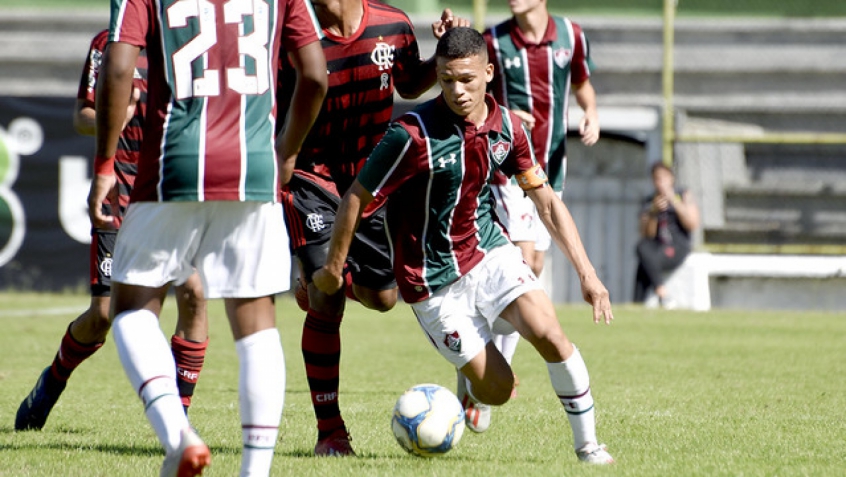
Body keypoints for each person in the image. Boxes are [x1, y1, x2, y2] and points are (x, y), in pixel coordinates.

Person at [313, 27, 614, 465]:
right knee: (498, 390)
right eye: (448, 79)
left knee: (550, 334)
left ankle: (589, 447)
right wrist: (332, 270)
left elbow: (546, 201)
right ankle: (472, 374)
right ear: (437, 75)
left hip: (487, 253)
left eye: (468, 79)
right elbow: (356, 198)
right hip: (430, 283)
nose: (458, 90)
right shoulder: (410, 135)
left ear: (489, 73)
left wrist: (587, 274)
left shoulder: (507, 127)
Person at [87, 1, 327, 475]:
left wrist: (104, 164)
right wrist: (286, 150)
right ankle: (254, 471)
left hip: (172, 164)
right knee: (257, 325)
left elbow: (118, 67)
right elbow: (315, 75)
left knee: (131, 309)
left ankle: (177, 436)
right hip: (253, 166)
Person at [276, 0, 467, 456]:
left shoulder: (392, 24)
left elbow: (410, 82)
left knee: (382, 298)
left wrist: (439, 52)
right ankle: (331, 432)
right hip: (310, 174)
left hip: (369, 180)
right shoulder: (288, 29)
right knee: (326, 294)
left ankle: (320, 275)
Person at [14, 29, 209, 432]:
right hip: (119, 191)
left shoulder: (196, 34)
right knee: (103, 315)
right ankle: (51, 383)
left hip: (173, 189)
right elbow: (83, 116)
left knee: (193, 293)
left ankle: (178, 422)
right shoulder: (110, 42)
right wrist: (115, 116)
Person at [481, 0, 600, 394]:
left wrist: (591, 113)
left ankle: (489, 358)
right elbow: (473, 98)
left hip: (550, 168)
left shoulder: (571, 35)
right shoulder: (494, 41)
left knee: (531, 265)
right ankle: (493, 371)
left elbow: (582, 84)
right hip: (505, 166)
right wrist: (507, 112)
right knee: (521, 257)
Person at [633, 162, 700, 308]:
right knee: (642, 250)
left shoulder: (683, 195)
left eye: (664, 178)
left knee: (645, 262)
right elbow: (647, 234)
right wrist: (654, 213)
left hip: (677, 246)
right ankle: (638, 304)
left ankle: (663, 296)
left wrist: (674, 201)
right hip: (657, 247)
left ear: (671, 179)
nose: (661, 182)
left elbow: (692, 223)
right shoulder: (649, 202)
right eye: (657, 179)